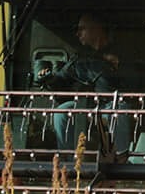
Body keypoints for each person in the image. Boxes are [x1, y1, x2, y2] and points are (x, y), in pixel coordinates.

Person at [36, 12, 120, 150]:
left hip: (112, 104)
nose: (77, 33)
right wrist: (49, 78)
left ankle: (120, 158)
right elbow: (62, 78)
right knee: (62, 111)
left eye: (82, 29)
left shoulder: (120, 51)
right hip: (87, 105)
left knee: (119, 111)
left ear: (96, 29)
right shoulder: (80, 57)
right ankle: (68, 160)